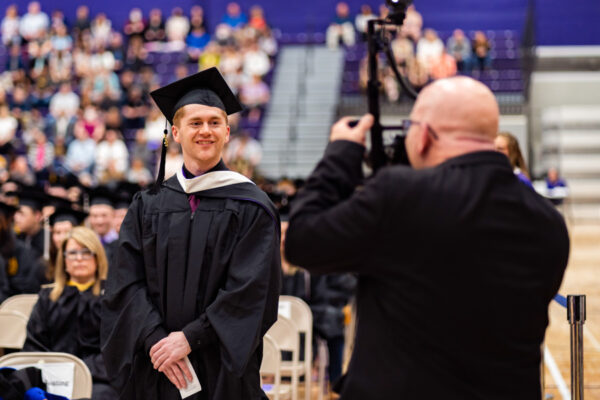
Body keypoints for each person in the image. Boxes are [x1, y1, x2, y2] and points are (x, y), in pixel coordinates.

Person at [284, 76, 570, 399]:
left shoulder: (401, 195)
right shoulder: (548, 222)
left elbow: (302, 242)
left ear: (422, 137)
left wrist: (340, 154)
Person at [101, 67, 281, 399]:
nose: (205, 131)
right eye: (195, 123)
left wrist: (189, 339)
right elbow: (125, 281)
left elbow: (251, 291)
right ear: (176, 133)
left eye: (214, 123)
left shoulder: (252, 206)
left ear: (227, 133)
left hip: (221, 367)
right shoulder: (148, 205)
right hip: (156, 365)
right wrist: (155, 339)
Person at [24, 226, 117, 399]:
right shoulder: (48, 298)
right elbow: (34, 344)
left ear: (97, 258)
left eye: (86, 252)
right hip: (50, 378)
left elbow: (117, 348)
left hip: (99, 380)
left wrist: (80, 370)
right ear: (64, 261)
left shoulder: (112, 298)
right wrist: (54, 371)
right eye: (72, 253)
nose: (79, 259)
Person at [0, 200, 46, 303]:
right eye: (16, 214)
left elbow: (25, 285)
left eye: (22, 214)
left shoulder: (21, 249)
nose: (17, 218)